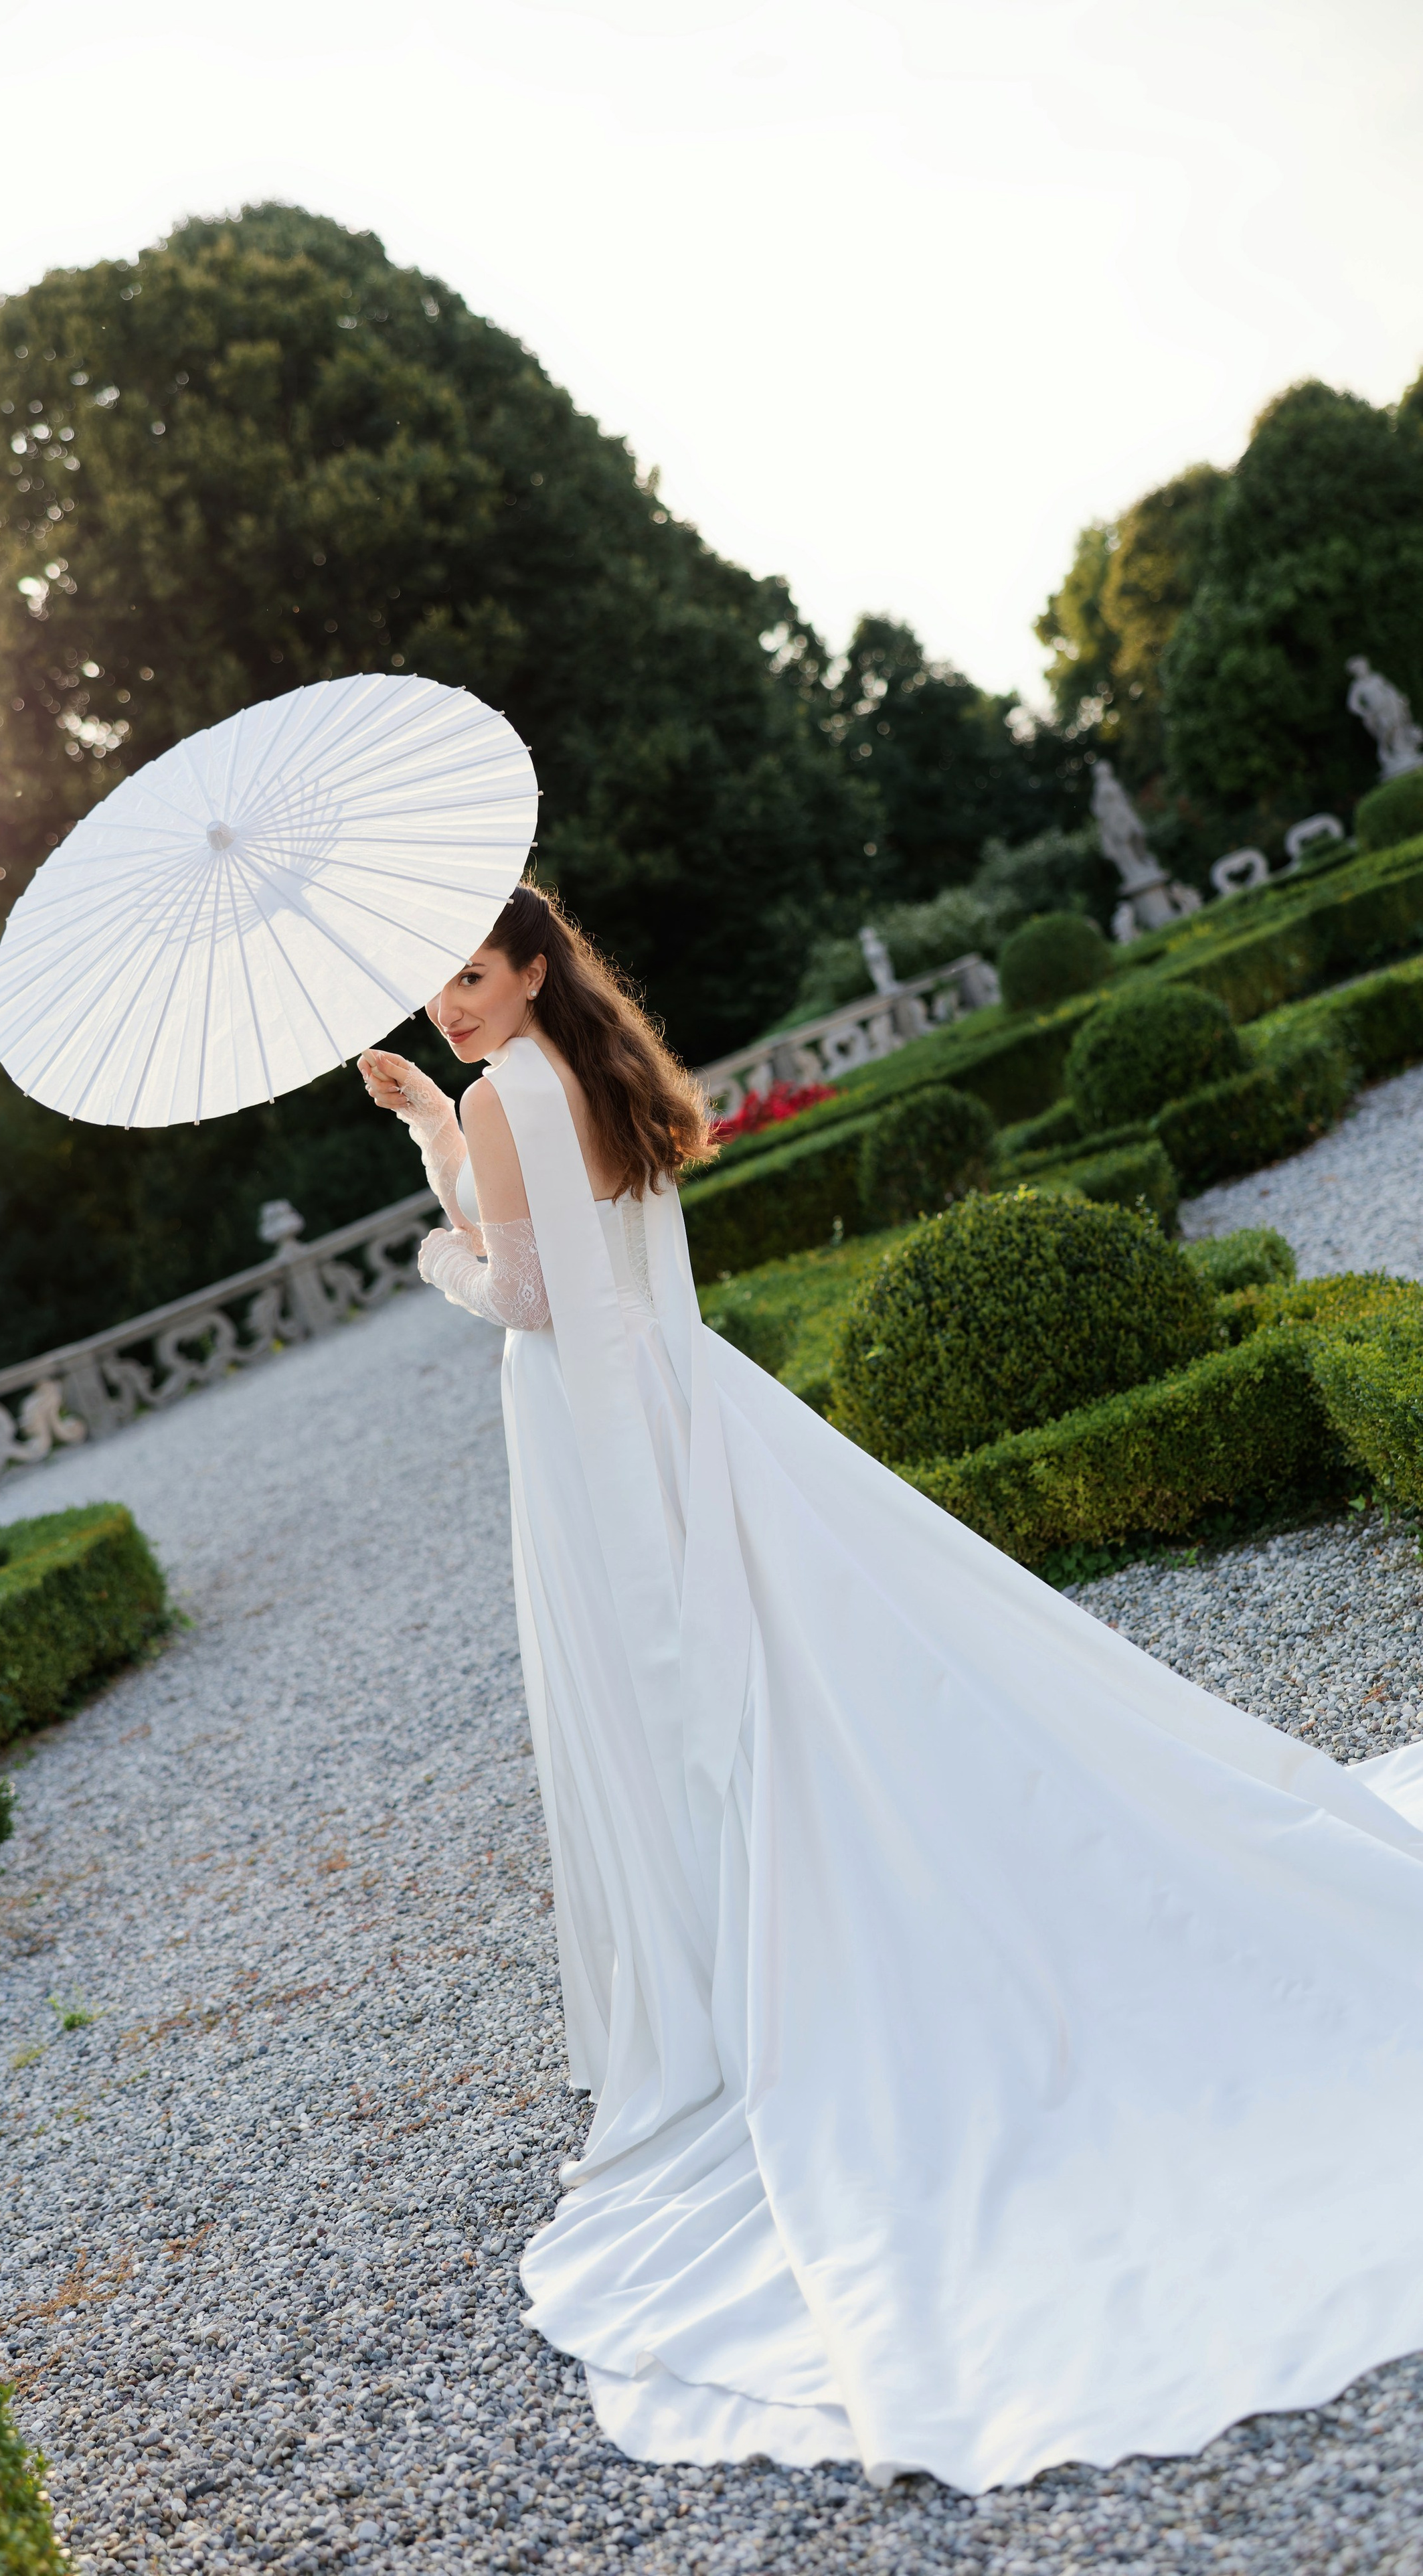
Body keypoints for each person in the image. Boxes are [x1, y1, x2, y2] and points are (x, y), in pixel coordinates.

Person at [359, 879, 1423, 2496]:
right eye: (435, 982)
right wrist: (441, 1127)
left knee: (680, 1706)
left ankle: (744, 1980)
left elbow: (523, 1293)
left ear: (525, 967)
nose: (449, 999)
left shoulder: (509, 1086)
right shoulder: (580, 1071)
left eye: (469, 971)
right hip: (674, 1398)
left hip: (591, 1441)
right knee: (793, 1671)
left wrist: (437, 1226)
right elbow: (579, 1244)